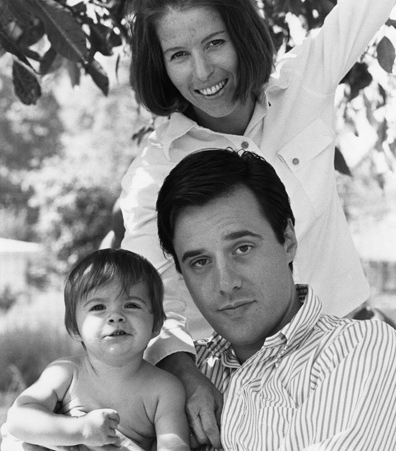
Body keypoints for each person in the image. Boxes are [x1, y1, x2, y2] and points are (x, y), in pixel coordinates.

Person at [119, 0, 396, 447]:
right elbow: (150, 295)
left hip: (348, 353)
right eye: (178, 54)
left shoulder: (303, 82)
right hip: (235, 377)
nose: (203, 71)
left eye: (215, 43)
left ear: (242, 36)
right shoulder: (153, 174)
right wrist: (186, 376)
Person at [156, 148, 396, 451]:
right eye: (200, 262)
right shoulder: (178, 378)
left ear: (288, 241)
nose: (226, 283)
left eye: (242, 248)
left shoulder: (361, 349)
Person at [4, 249, 190, 451]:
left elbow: (174, 446)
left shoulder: (165, 389)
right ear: (75, 329)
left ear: (156, 324)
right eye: (98, 307)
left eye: (131, 304)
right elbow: (18, 420)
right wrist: (80, 429)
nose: (116, 316)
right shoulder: (66, 373)